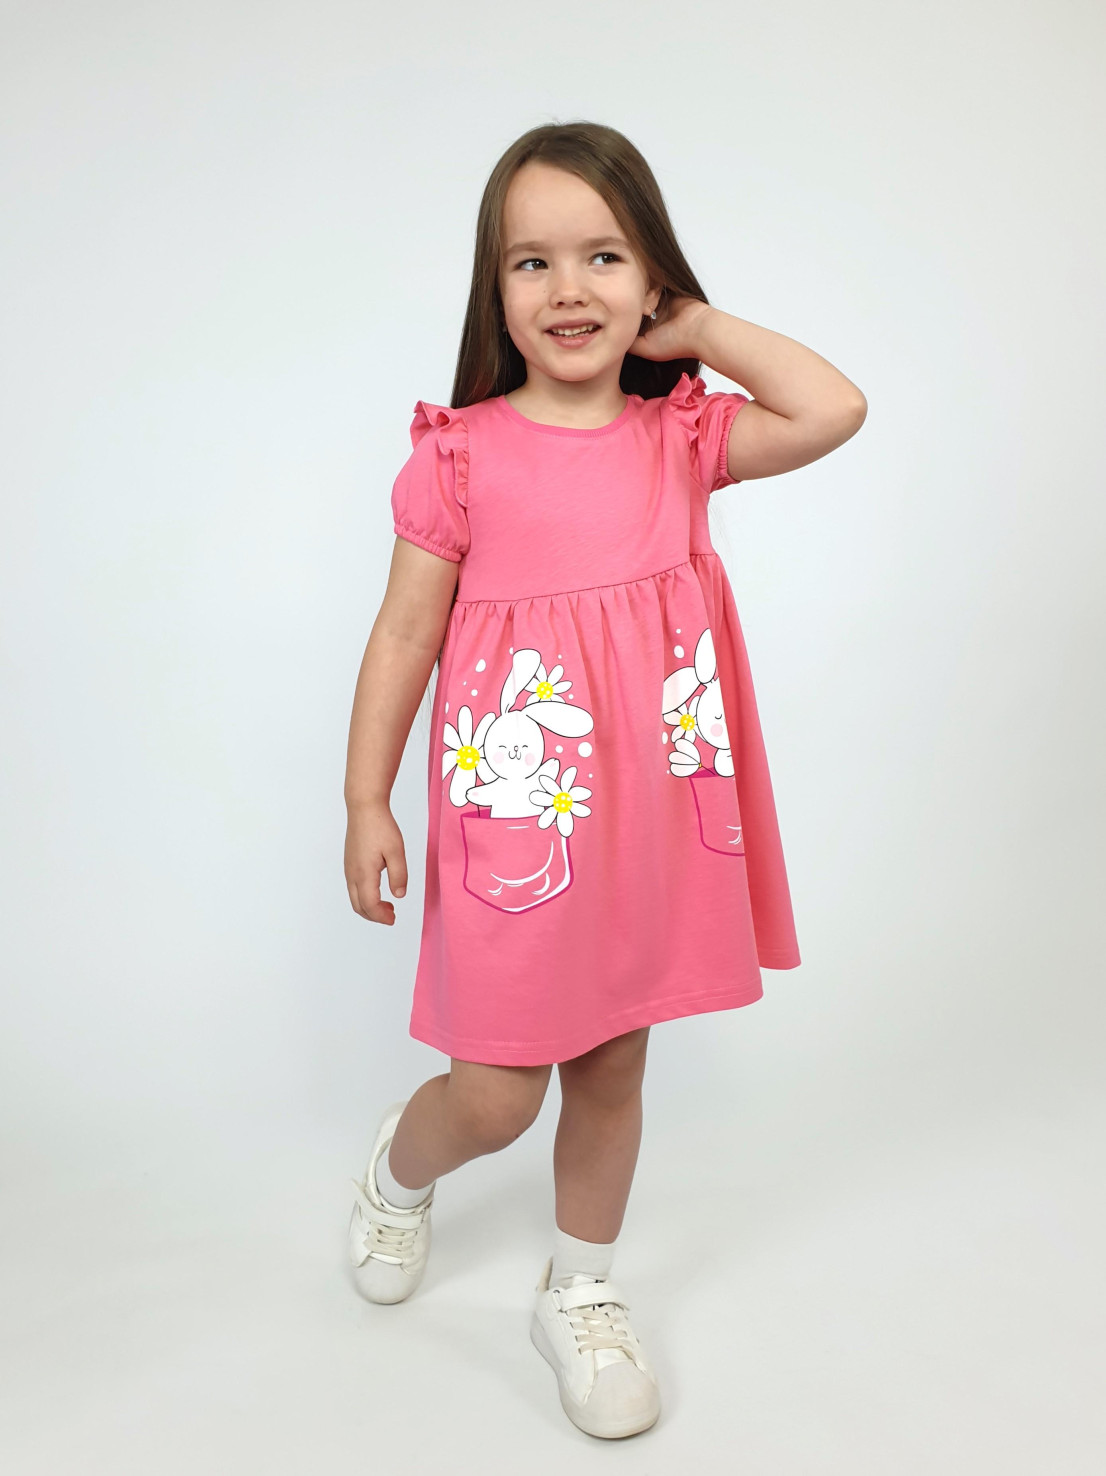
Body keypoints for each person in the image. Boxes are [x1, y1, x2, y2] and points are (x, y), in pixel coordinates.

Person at [342, 120, 866, 1440]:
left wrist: (698, 328)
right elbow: (403, 633)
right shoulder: (459, 454)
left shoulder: (678, 436)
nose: (567, 288)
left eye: (603, 257)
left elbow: (832, 408)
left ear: (651, 280)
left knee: (615, 1068)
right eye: (532, 261)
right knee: (496, 1093)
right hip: (525, 819)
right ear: (494, 287)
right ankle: (398, 1176)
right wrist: (364, 798)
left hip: (648, 824)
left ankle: (578, 1288)